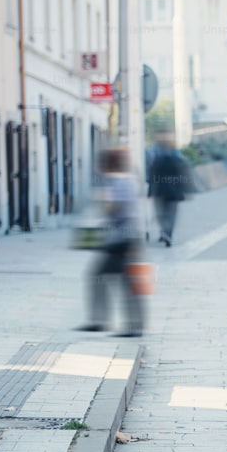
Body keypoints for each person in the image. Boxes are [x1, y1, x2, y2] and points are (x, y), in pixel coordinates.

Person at [77, 147, 145, 337]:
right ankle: (112, 321)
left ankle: (113, 322)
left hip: (122, 238)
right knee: (119, 280)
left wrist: (102, 201)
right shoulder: (125, 181)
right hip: (124, 236)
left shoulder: (119, 182)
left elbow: (115, 209)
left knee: (108, 279)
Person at [147, 133, 194, 247]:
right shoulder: (178, 158)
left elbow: (152, 177)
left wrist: (150, 192)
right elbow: (183, 175)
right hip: (174, 192)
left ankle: (164, 231)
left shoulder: (157, 159)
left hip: (160, 191)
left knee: (161, 214)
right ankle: (168, 234)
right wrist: (186, 190)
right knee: (171, 214)